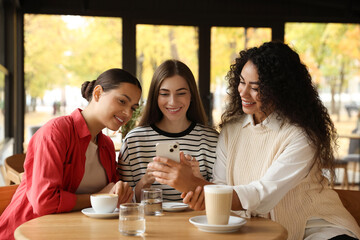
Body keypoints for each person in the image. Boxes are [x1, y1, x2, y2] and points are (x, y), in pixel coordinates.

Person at [149, 42, 360, 240]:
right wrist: (200, 191)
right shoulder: (231, 131)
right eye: (241, 82)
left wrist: (198, 185)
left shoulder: (301, 136)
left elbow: (264, 194)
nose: (243, 92)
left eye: (255, 87)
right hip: (262, 231)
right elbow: (222, 187)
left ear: (279, 90)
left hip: (319, 229)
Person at [0, 68, 142, 240]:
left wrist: (123, 191)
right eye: (121, 101)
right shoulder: (56, 132)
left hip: (77, 233)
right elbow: (44, 202)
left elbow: (113, 196)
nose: (128, 113)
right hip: (28, 232)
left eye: (133, 108)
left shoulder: (106, 146)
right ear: (97, 93)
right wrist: (97, 197)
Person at [117, 59, 218, 202]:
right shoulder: (134, 142)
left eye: (181, 93)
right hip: (149, 223)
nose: (172, 102)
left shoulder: (211, 140)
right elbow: (123, 203)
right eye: (164, 94)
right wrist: (145, 181)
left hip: (196, 223)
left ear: (191, 96)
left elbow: (223, 198)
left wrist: (197, 180)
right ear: (155, 97)